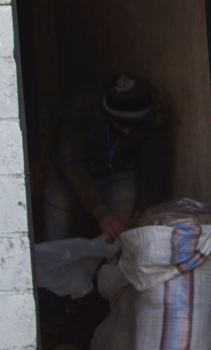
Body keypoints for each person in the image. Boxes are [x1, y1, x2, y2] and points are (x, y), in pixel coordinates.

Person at [47, 74, 168, 243]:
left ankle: (109, 268)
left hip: (119, 169)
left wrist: (142, 213)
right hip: (69, 171)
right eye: (121, 124)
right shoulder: (82, 103)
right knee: (58, 235)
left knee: (120, 236)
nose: (127, 132)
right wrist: (102, 214)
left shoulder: (155, 114)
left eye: (133, 125)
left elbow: (153, 169)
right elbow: (72, 163)